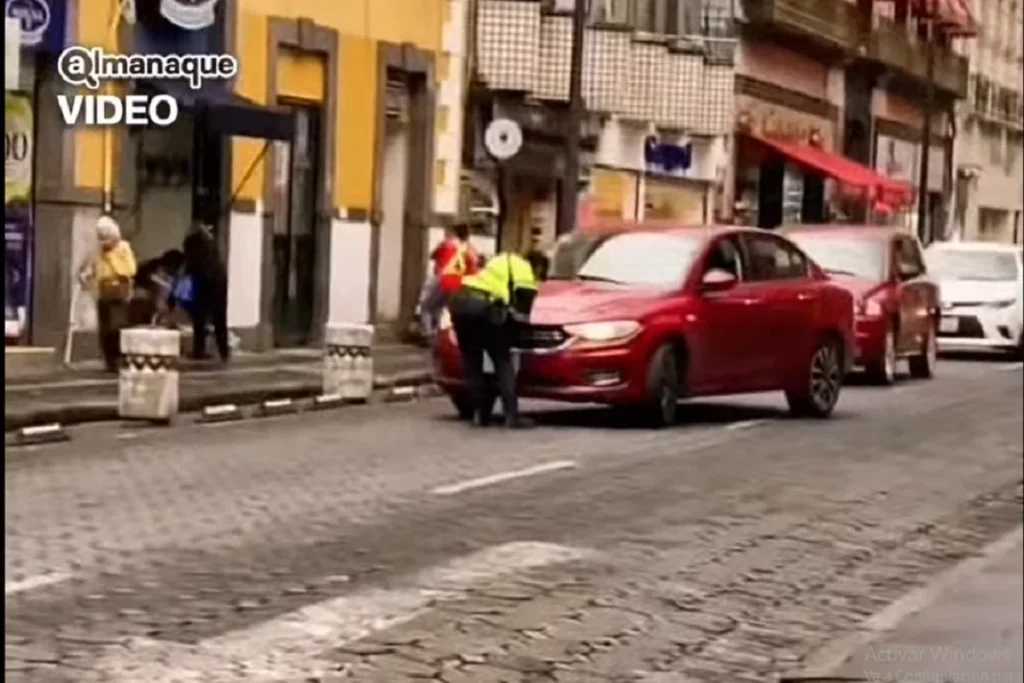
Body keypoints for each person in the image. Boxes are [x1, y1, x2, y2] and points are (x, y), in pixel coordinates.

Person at [448, 249, 549, 429]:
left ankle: (479, 415)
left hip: (460, 303)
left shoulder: (501, 260)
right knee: (502, 360)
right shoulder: (525, 271)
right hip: (483, 307)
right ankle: (511, 416)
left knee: (472, 361)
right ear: (538, 267)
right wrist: (517, 338)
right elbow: (522, 316)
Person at [81, 215, 137, 372]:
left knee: (116, 327)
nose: (103, 241)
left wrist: (111, 257)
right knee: (105, 329)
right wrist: (87, 274)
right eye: (100, 237)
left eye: (105, 237)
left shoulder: (123, 248)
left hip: (119, 290)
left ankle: (119, 358)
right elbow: (95, 267)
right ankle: (109, 361)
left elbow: (130, 270)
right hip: (103, 291)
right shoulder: (99, 251)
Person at [419, 223, 479, 342]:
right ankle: (439, 334)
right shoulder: (470, 249)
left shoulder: (447, 244)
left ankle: (428, 333)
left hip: (444, 279)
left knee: (426, 307)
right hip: (460, 284)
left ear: (454, 232)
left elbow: (433, 255)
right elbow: (475, 265)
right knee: (441, 308)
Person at [181, 224, 229, 362]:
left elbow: (191, 264)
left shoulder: (192, 243)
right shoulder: (211, 244)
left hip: (202, 282)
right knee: (220, 319)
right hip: (219, 281)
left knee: (199, 319)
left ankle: (199, 349)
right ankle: (223, 351)